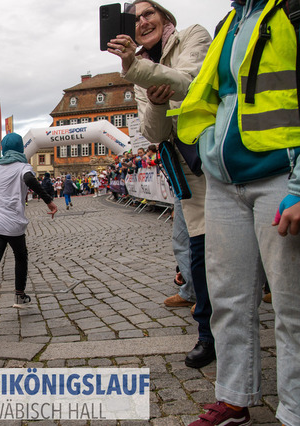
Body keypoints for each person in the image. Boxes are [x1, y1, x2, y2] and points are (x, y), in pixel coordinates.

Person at [173, 0, 300, 424]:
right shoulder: (229, 22)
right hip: (225, 182)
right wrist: (208, 148)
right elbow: (210, 97)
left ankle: (293, 412)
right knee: (228, 298)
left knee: (291, 305)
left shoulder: (291, 11)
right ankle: (234, 399)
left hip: (281, 176)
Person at [107, 0, 215, 369]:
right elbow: (153, 132)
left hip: (219, 155)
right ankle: (207, 334)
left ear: (164, 16)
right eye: (135, 20)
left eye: (148, 13)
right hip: (189, 170)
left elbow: (190, 83)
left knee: (232, 249)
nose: (143, 22)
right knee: (198, 252)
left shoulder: (192, 36)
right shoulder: (138, 72)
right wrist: (154, 102)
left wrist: (140, 71)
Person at [0, 133, 57, 339]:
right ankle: (19, 295)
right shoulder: (23, 167)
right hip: (14, 225)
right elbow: (30, 180)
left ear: (4, 150)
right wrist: (49, 201)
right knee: (21, 257)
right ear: (20, 148)